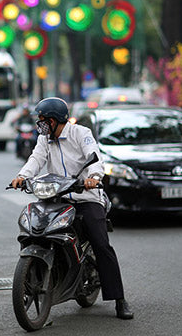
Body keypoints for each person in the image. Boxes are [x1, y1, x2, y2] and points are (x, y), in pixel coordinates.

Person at [10, 97, 134, 320]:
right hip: (58, 197)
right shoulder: (44, 138)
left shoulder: (81, 134)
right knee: (39, 228)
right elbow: (35, 159)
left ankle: (119, 299)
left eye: (43, 120)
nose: (40, 125)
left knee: (101, 244)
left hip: (86, 196)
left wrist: (94, 177)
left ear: (56, 120)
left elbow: (94, 158)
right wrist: (22, 176)